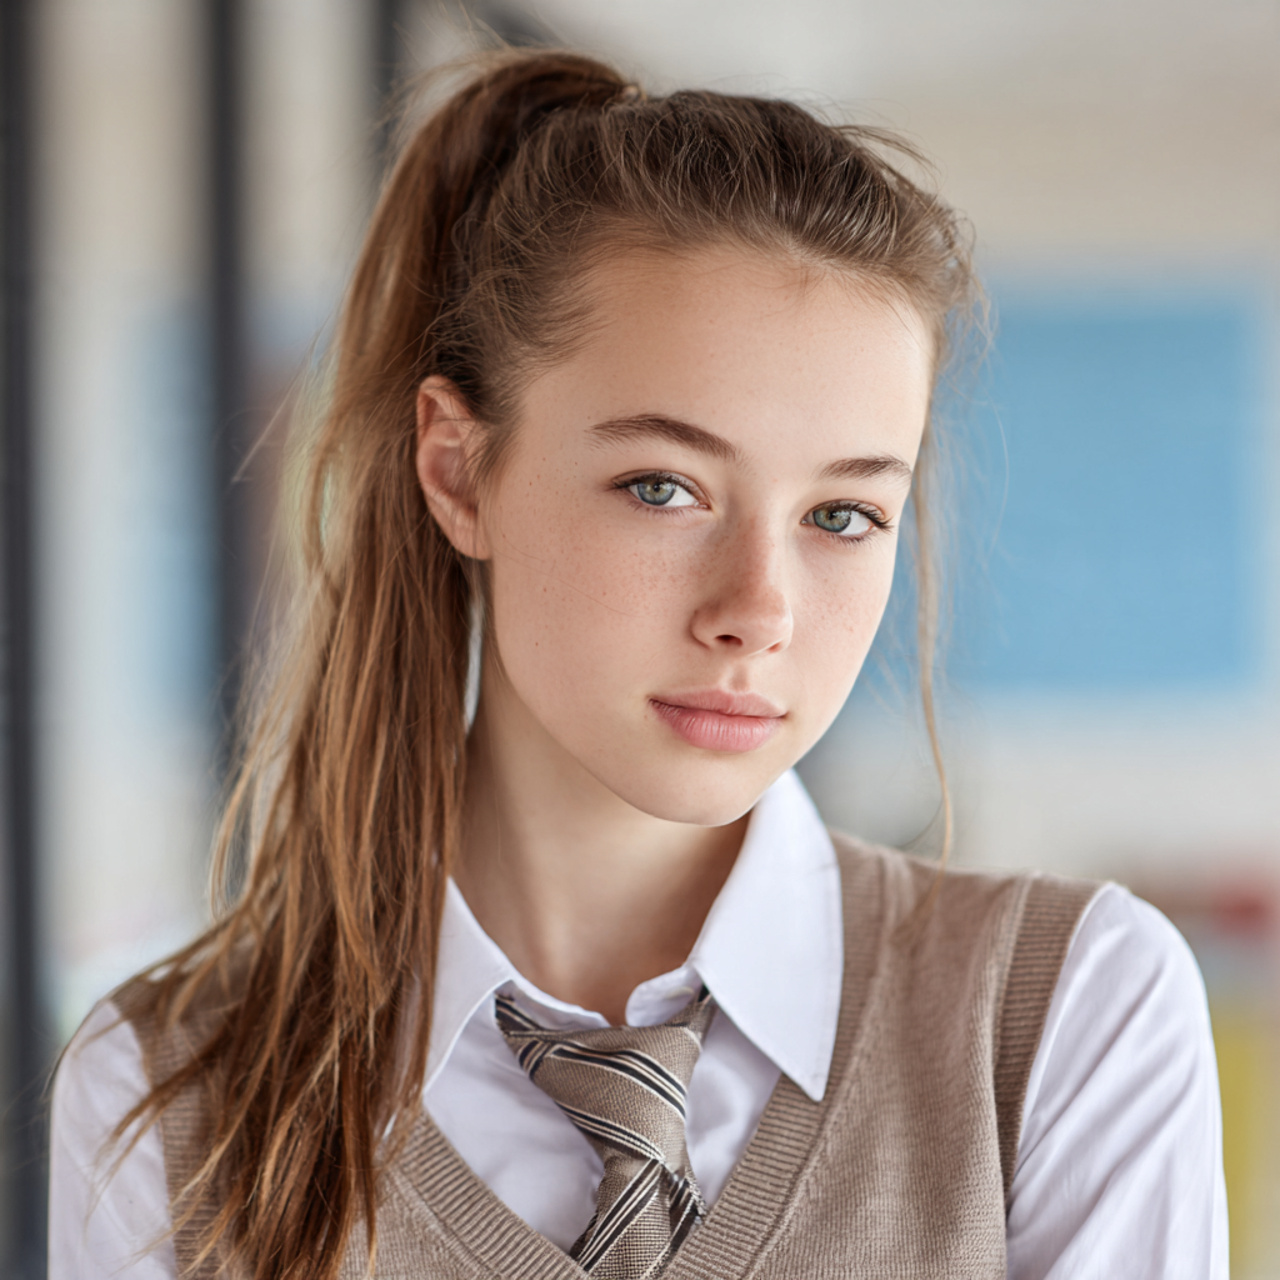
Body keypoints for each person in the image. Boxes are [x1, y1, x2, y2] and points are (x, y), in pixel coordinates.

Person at [49, 48, 1226, 1280]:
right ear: (457, 469)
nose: (756, 610)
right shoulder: (170, 1096)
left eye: (841, 515)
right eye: (662, 488)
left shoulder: (1062, 1023)